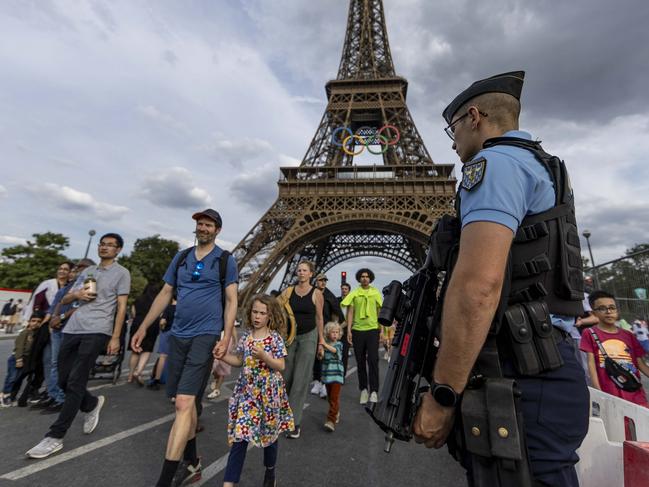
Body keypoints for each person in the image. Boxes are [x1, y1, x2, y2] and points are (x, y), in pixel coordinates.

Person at [413, 71, 589, 486]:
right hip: (548, 359)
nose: (452, 141)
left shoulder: (493, 165)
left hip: (519, 371)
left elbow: (478, 287)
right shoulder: (545, 167)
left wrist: (443, 395)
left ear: (474, 116)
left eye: (451, 128)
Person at [131, 209, 238, 487]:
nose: (203, 228)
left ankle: (164, 481)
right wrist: (144, 326)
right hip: (178, 334)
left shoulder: (226, 260)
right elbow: (166, 293)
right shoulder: (181, 257)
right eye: (200, 224)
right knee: (183, 404)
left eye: (208, 224)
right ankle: (191, 464)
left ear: (217, 230)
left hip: (206, 335)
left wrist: (226, 335)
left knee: (183, 402)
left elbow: (231, 299)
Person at [25, 233, 130, 459]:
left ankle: (55, 436)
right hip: (73, 327)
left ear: (118, 250)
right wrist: (76, 294)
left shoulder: (122, 273)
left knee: (75, 381)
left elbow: (122, 307)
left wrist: (115, 337)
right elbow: (65, 300)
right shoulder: (87, 272)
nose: (104, 248)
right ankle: (91, 403)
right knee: (62, 380)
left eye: (110, 245)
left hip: (98, 329)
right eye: (102, 244)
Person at [221, 294, 293, 487]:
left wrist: (264, 356)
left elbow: (280, 365)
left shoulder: (275, 338)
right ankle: (229, 483)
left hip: (269, 394)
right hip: (247, 393)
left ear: (270, 315)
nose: (257, 316)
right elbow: (239, 360)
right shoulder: (246, 336)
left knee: (269, 436)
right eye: (255, 312)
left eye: (262, 313)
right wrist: (222, 356)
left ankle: (270, 471)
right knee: (240, 436)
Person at [31, 259, 96, 412]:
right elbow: (59, 303)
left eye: (80, 267)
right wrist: (53, 317)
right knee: (53, 364)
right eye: (75, 268)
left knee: (63, 367)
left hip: (71, 329)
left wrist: (60, 318)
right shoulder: (69, 286)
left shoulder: (88, 283)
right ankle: (53, 394)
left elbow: (82, 307)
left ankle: (62, 398)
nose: (75, 270)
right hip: (58, 328)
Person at [278, 260, 324, 439]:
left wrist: (321, 341)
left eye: (305, 270)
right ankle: (283, 414)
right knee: (285, 377)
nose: (301, 273)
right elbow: (276, 310)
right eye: (299, 270)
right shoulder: (288, 291)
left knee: (301, 380)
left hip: (308, 338)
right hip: (289, 337)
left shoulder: (316, 293)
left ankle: (293, 422)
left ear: (311, 274)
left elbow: (319, 318)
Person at [580, 290, 649, 407]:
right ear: (593, 312)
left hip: (634, 390)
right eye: (602, 308)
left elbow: (641, 364)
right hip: (610, 393)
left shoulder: (628, 335)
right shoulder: (589, 333)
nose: (608, 312)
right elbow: (591, 365)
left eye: (612, 307)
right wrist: (599, 393)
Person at [341, 268, 383, 405]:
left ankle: (374, 391)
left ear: (370, 279)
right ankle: (364, 389)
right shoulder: (354, 294)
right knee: (360, 362)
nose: (365, 278)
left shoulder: (375, 293)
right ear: (359, 279)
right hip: (358, 330)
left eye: (367, 276)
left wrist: (381, 330)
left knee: (373, 360)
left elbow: (379, 312)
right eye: (362, 276)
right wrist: (349, 331)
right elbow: (350, 312)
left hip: (372, 329)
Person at [310, 273, 342, 399]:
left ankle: (324, 383)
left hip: (325, 330)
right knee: (315, 357)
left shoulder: (329, 296)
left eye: (325, 280)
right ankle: (317, 380)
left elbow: (336, 313)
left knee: (325, 357)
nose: (323, 282)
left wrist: (333, 330)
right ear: (316, 281)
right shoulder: (311, 294)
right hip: (313, 329)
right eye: (320, 280)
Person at [1, 312, 44, 407]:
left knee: (17, 378)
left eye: (38, 322)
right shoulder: (25, 332)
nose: (35, 323)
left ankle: (11, 396)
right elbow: (19, 347)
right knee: (12, 378)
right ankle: (5, 395)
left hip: (25, 360)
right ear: (29, 322)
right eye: (33, 321)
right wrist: (18, 359)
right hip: (16, 359)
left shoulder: (35, 334)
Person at [128, 282, 162, 385]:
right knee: (146, 350)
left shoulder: (138, 299)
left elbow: (133, 313)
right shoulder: (158, 301)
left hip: (137, 324)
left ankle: (130, 376)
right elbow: (160, 314)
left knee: (135, 350)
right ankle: (139, 372)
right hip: (152, 325)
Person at [147, 298, 176, 391]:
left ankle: (157, 379)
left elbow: (162, 322)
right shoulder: (183, 308)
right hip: (178, 333)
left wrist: (162, 328)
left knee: (163, 356)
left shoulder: (168, 307)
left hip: (167, 332)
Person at [321, 321, 344, 432]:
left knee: (334, 398)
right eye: (332, 332)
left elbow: (335, 351)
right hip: (327, 376)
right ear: (327, 333)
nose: (335, 334)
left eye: (337, 332)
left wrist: (325, 345)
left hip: (336, 376)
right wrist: (320, 351)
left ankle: (331, 420)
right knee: (330, 398)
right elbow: (321, 357)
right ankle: (336, 412)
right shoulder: (325, 345)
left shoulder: (339, 344)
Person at [338, 282, 352, 375]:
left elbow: (351, 317)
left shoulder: (352, 301)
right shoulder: (336, 300)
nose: (344, 290)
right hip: (336, 330)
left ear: (349, 290)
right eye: (342, 288)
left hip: (346, 330)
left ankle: (342, 374)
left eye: (346, 289)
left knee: (344, 354)